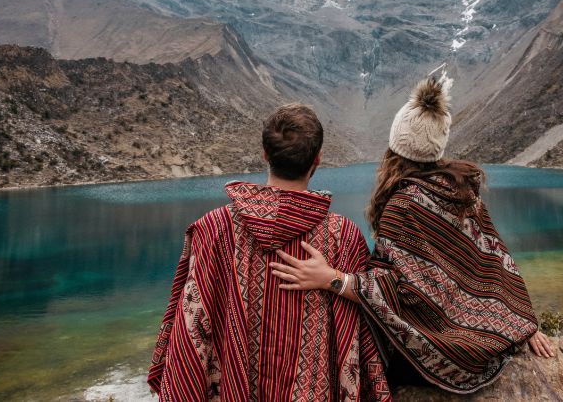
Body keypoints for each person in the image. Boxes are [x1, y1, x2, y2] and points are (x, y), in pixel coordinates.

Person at [270, 76, 555, 394]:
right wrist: (519, 324)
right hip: (484, 346)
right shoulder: (463, 194)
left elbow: (392, 291)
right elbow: (496, 264)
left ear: (396, 146)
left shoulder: (402, 205)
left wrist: (333, 279)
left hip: (441, 354)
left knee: (369, 326)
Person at [147, 103, 391, 401]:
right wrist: (335, 279)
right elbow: (367, 324)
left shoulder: (212, 229)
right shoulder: (345, 237)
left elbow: (191, 324)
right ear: (318, 160)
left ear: (265, 155)